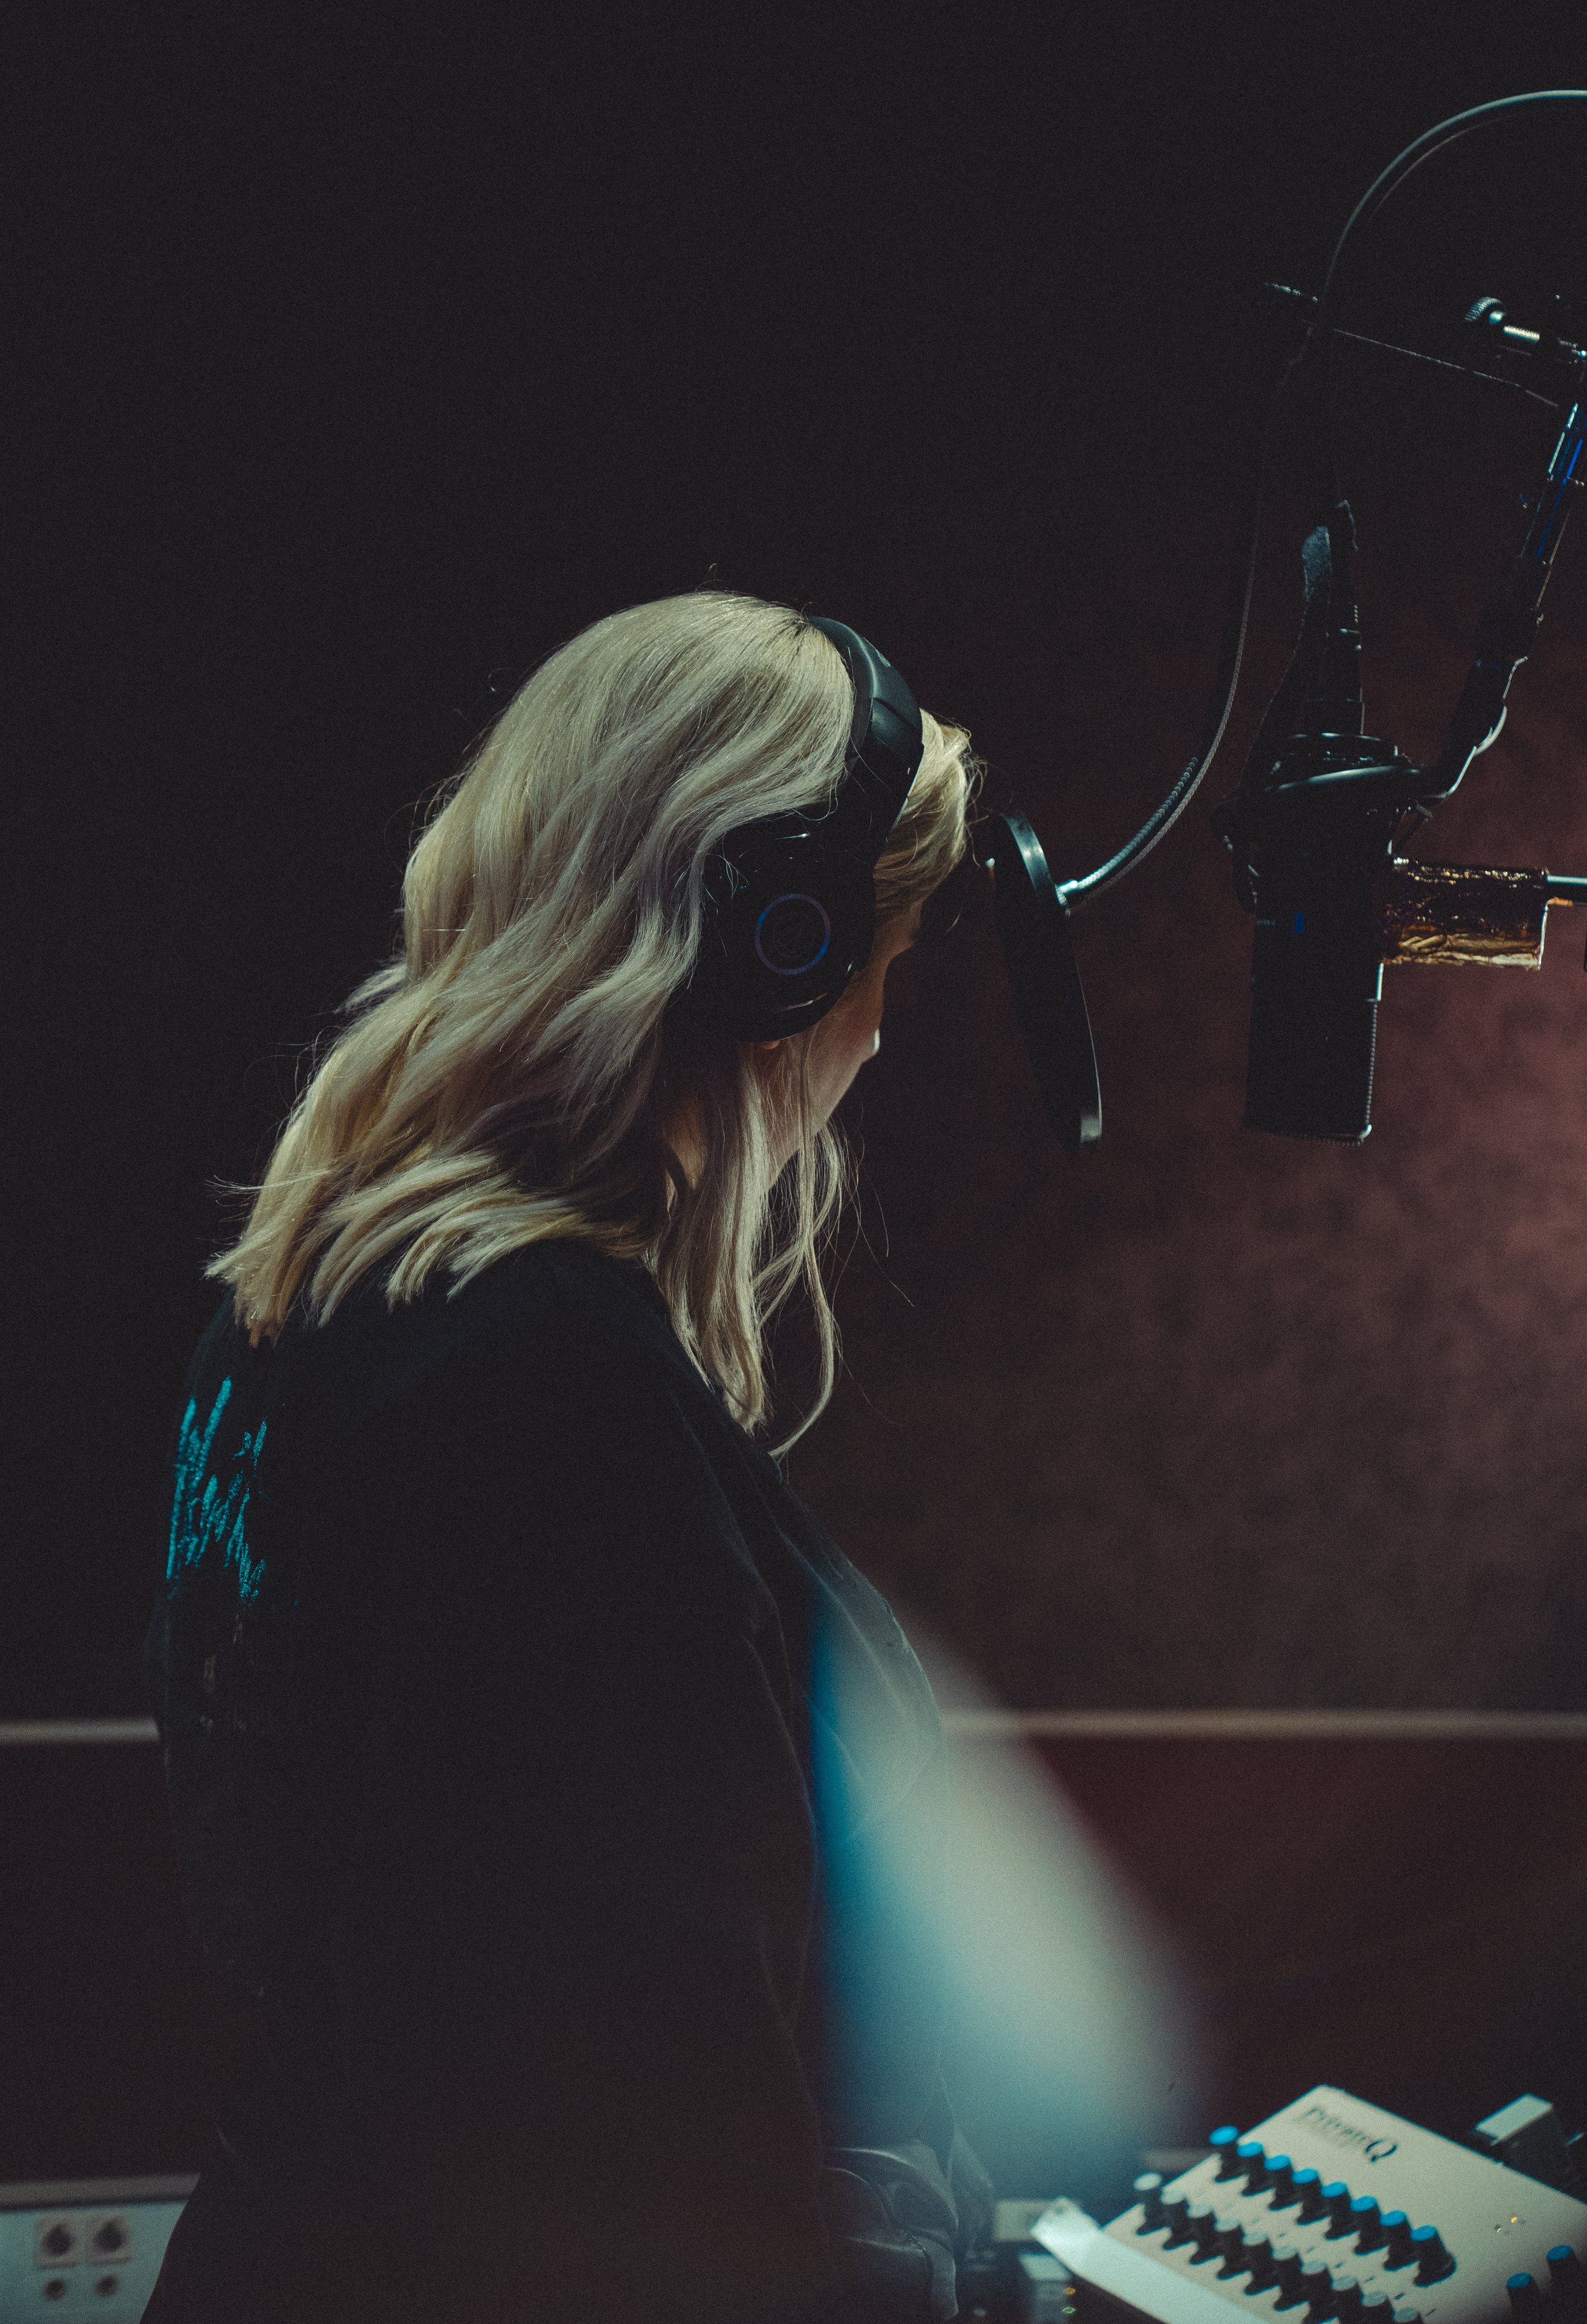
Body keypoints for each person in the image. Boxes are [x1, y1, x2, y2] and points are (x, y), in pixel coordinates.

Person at [142, 589, 991, 2323]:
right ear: (785, 945)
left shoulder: (304, 1300)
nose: (884, 1028)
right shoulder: (543, 1391)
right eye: (888, 957)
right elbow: (621, 2099)